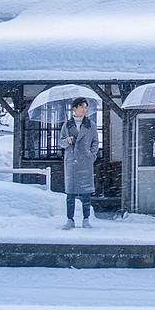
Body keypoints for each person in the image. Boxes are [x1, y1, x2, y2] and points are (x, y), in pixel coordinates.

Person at [58, 97, 98, 229]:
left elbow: (95, 142)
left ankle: (86, 219)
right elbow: (60, 142)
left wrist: (91, 155)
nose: (84, 109)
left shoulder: (90, 125)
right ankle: (70, 219)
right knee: (70, 193)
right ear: (74, 108)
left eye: (86, 107)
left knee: (86, 193)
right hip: (71, 162)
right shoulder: (67, 125)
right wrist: (67, 140)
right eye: (82, 107)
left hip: (85, 161)